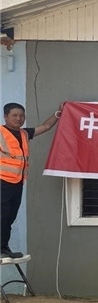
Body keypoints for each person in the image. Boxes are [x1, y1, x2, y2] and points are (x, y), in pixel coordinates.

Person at [1, 101, 64, 258]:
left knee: (10, 216)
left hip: (17, 182)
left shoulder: (24, 133)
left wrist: (58, 113)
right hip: (2, 181)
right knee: (2, 215)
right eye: (14, 115)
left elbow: (45, 127)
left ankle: (3, 248)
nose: (18, 118)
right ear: (5, 116)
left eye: (21, 115)